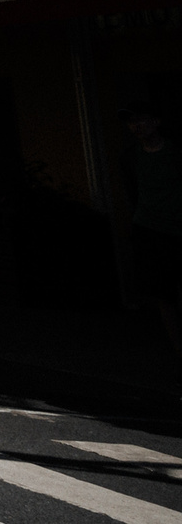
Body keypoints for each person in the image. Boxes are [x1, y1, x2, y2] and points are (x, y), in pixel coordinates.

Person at [123, 100, 181, 393]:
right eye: (133, 122)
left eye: (143, 120)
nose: (137, 127)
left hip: (175, 227)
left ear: (156, 122)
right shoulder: (133, 156)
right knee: (163, 294)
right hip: (150, 228)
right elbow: (132, 187)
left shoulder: (173, 152)